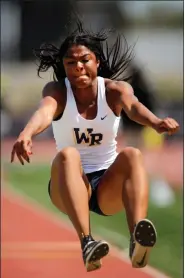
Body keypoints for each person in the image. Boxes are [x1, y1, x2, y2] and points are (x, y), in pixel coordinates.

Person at [11, 18, 179, 272]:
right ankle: (87, 243)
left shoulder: (114, 90)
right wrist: (27, 133)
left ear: (97, 62)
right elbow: (45, 112)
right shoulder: (57, 91)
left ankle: (137, 239)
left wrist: (155, 122)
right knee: (68, 154)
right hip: (66, 186)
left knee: (133, 154)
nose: (78, 67)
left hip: (105, 190)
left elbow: (134, 108)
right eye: (71, 63)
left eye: (84, 60)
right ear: (64, 67)